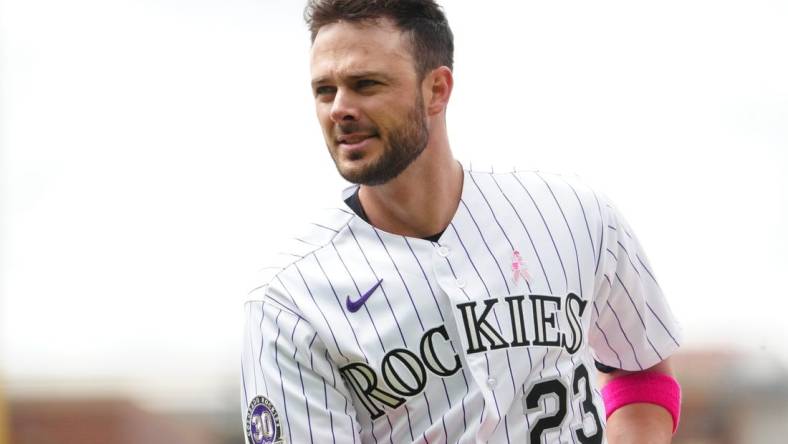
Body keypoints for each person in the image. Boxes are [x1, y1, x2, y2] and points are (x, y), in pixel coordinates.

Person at [241, 1, 683, 443]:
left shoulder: (575, 216)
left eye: (365, 84)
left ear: (437, 89)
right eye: (324, 90)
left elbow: (642, 375)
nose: (339, 108)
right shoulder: (289, 302)